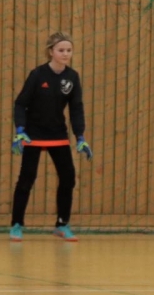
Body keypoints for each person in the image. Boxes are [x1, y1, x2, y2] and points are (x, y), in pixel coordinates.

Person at [9, 32, 92, 242]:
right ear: (51, 52)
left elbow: (76, 108)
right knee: (27, 178)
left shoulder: (72, 77)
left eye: (69, 50)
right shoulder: (37, 74)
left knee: (68, 177)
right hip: (33, 134)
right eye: (61, 50)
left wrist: (80, 136)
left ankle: (62, 224)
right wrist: (20, 130)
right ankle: (16, 224)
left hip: (58, 134)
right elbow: (20, 103)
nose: (66, 54)